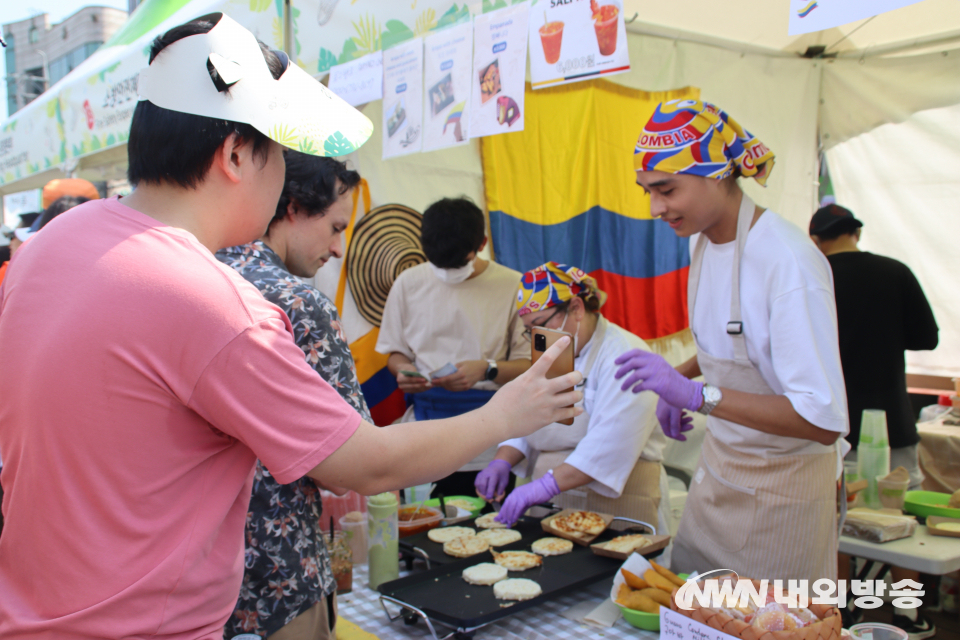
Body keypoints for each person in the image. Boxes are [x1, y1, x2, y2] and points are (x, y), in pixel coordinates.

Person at [0, 14, 582, 639]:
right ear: (236, 154)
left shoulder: (52, 244)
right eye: (279, 151)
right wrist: (508, 413)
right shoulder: (207, 301)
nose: (282, 177)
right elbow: (363, 465)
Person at [617, 99, 849, 582]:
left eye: (667, 190)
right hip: (721, 474)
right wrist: (676, 379)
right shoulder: (700, 240)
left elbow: (821, 417)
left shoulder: (787, 262)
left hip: (783, 493)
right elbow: (732, 341)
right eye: (648, 192)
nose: (657, 208)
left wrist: (700, 396)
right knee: (693, 615)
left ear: (718, 174)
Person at [216, 152, 365, 639]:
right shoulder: (298, 303)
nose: (339, 248)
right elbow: (354, 465)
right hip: (280, 576)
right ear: (295, 207)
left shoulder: (194, 278)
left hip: (194, 579)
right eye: (336, 226)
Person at [810, 203, 938, 639]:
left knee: (838, 520)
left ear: (816, 241)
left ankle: (842, 613)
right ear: (856, 233)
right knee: (904, 521)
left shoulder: (817, 279)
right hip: (894, 420)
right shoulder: (895, 272)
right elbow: (928, 337)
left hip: (835, 427)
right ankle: (906, 613)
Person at [476, 262, 672, 536]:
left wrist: (542, 487)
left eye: (541, 324)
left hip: (623, 499)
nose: (537, 337)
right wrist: (503, 460)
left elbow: (609, 445)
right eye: (529, 329)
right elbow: (531, 417)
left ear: (577, 308)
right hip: (558, 497)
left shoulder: (626, 356)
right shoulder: (552, 348)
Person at [376, 197, 532, 498]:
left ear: (482, 243)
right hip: (424, 430)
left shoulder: (514, 285)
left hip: (489, 440)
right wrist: (403, 372)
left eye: (458, 262)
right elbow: (395, 353)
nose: (447, 272)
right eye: (438, 264)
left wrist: (488, 368)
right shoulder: (408, 283)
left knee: (489, 534)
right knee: (423, 527)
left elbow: (529, 364)